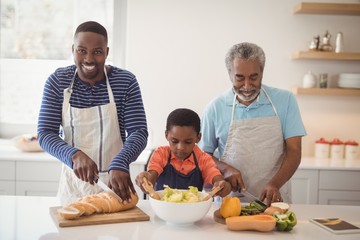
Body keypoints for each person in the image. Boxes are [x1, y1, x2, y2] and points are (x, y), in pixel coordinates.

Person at [37, 21, 148, 205]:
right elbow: (45, 133)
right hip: (73, 188)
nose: (88, 59)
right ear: (73, 50)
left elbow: (139, 132)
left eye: (97, 51)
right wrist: (74, 155)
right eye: (82, 50)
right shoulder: (57, 82)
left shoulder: (125, 82)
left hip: (116, 186)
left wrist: (121, 162)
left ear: (106, 52)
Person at [198, 42, 306, 205]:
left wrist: (274, 184)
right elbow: (203, 155)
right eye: (239, 78)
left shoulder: (285, 101)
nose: (247, 86)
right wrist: (226, 169)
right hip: (230, 202)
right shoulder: (215, 108)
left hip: (274, 200)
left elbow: (294, 151)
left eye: (254, 77)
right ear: (229, 74)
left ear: (262, 73)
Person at [135, 108, 231, 197]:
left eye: (188, 142)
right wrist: (145, 179)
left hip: (192, 213)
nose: (180, 148)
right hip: (163, 211)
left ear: (198, 138)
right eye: (174, 141)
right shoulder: (161, 154)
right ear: (166, 135)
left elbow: (216, 178)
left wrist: (222, 185)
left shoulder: (203, 159)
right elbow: (151, 177)